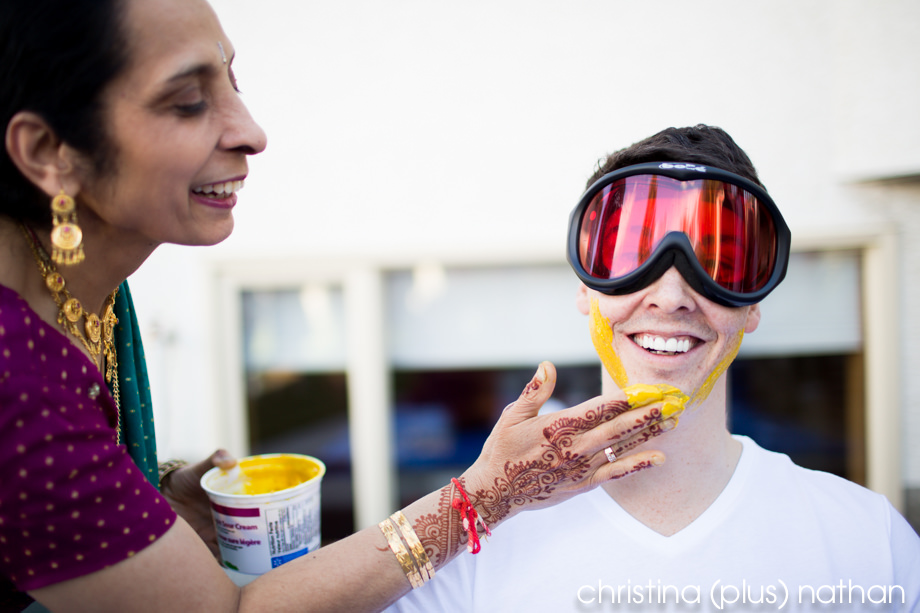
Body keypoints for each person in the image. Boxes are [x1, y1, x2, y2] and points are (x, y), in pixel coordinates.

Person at [0, 0, 684, 611]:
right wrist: (486, 494)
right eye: (187, 101)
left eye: (233, 82)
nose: (251, 132)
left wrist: (152, 497)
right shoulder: (14, 384)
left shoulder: (72, 275)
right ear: (49, 152)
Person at [387, 125, 920, 612]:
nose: (670, 296)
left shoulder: (868, 541)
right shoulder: (473, 544)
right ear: (585, 289)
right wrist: (478, 499)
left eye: (717, 262)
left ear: (753, 304)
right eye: (631, 255)